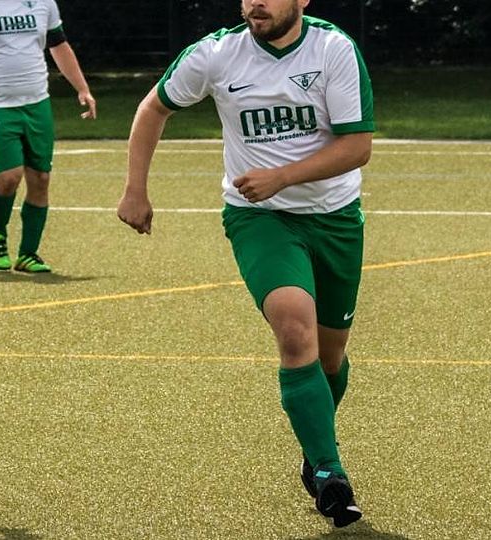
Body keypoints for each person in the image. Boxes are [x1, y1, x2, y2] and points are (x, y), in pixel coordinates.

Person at [117, 0, 373, 528]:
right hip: (259, 219)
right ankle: (330, 473)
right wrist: (135, 188)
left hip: (335, 219)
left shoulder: (333, 49)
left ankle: (314, 446)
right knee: (293, 328)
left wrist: (283, 176)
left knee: (330, 360)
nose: (255, 3)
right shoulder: (215, 54)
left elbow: (356, 146)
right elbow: (154, 107)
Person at [0, 0, 97, 273]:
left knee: (40, 178)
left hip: (37, 102)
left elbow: (59, 45)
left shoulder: (44, 3)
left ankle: (28, 254)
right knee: (9, 177)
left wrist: (82, 88)